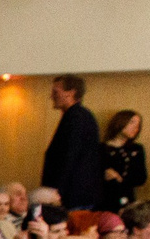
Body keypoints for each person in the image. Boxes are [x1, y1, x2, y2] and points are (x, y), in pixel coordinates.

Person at [39, 75, 104, 211]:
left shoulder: (76, 118)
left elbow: (69, 156)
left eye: (56, 92)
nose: (51, 96)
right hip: (76, 193)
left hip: (72, 196)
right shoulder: (80, 116)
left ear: (71, 92)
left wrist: (58, 191)